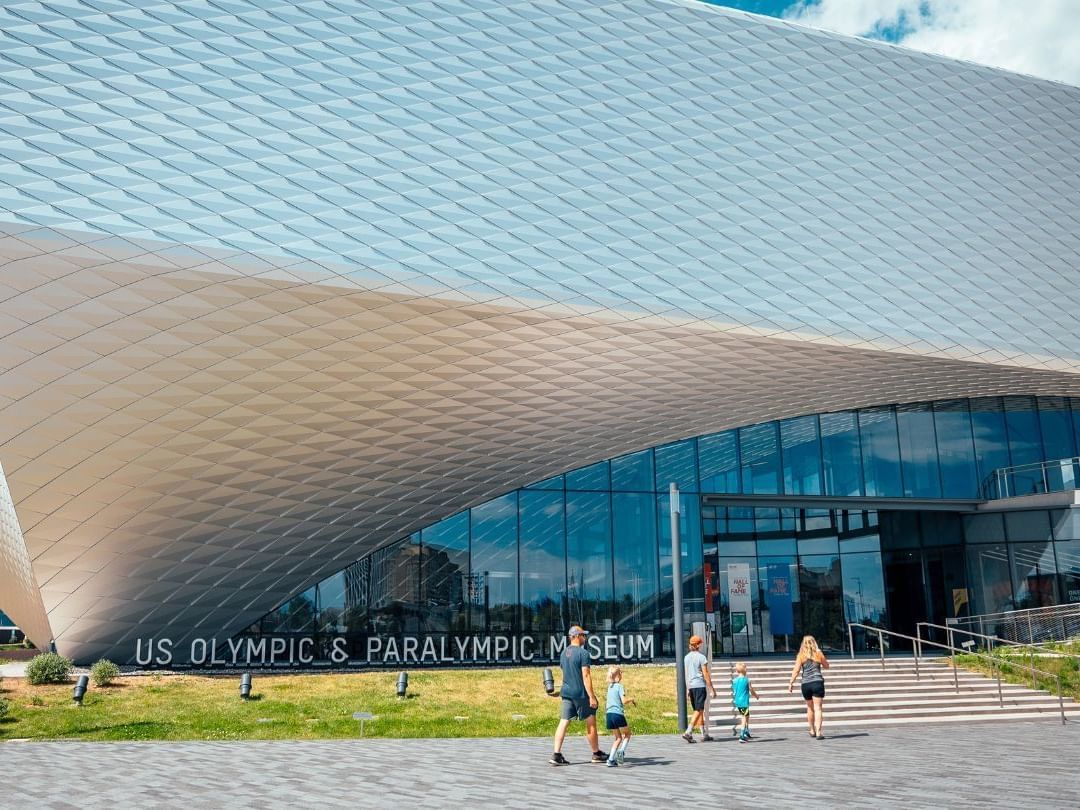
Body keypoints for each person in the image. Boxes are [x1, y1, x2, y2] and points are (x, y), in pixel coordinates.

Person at [550, 625, 606, 765]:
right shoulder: (583, 653)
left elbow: (567, 674)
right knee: (591, 721)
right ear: (576, 636)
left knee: (564, 722)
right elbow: (585, 675)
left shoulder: (563, 653)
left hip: (567, 693)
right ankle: (596, 753)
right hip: (581, 694)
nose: (585, 638)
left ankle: (556, 754)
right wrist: (592, 696)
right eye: (583, 635)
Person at [788, 634, 829, 740]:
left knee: (809, 708)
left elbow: (796, 670)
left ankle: (811, 730)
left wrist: (791, 683)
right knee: (818, 708)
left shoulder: (801, 655)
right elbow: (827, 666)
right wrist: (819, 655)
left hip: (806, 684)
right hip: (817, 682)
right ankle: (819, 732)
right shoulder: (818, 653)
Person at [681, 634, 716, 743]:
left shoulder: (686, 657)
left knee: (699, 710)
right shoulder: (701, 657)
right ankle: (688, 732)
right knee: (699, 709)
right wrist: (711, 689)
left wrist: (687, 688)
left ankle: (704, 734)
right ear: (698, 645)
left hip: (691, 686)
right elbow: (705, 674)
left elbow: (686, 674)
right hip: (700, 686)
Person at [604, 666, 636, 767]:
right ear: (618, 676)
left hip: (609, 715)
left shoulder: (610, 687)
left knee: (618, 738)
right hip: (617, 714)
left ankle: (610, 759)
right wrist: (632, 699)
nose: (622, 675)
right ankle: (621, 751)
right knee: (627, 734)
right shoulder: (619, 686)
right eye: (621, 673)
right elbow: (624, 701)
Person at [730, 661, 760, 743]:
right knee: (744, 717)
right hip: (744, 701)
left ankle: (746, 731)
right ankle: (742, 735)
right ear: (745, 670)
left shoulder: (734, 681)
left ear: (737, 671)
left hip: (737, 701)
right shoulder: (747, 680)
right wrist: (756, 696)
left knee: (747, 715)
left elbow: (734, 690)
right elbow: (751, 690)